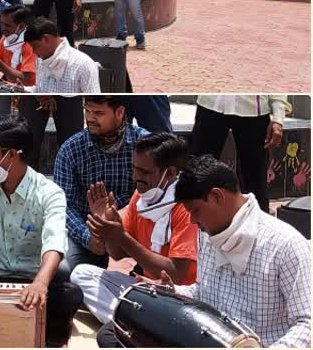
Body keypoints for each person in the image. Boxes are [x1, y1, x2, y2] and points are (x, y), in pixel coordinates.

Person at [94, 155, 311, 348]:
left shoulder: (285, 245)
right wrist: (172, 292)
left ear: (216, 197)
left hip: (259, 344)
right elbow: (204, 292)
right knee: (113, 334)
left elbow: (307, 323)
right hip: (207, 338)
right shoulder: (207, 232)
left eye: (195, 211)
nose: (193, 220)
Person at [0, 116, 83, 347]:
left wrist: (40, 283)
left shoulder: (49, 193)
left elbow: (54, 242)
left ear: (12, 155)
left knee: (69, 296)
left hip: (33, 279)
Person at [71, 133, 198, 329]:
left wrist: (122, 236)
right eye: (134, 168)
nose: (136, 177)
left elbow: (176, 274)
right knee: (81, 274)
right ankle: (134, 325)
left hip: (178, 297)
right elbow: (118, 253)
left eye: (145, 172)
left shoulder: (187, 206)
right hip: (145, 287)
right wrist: (109, 224)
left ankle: (135, 325)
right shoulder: (141, 196)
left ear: (170, 173)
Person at [52, 96, 149, 281]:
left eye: (98, 113)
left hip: (134, 226)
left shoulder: (145, 144)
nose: (90, 118)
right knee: (65, 272)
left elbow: (155, 196)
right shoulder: (70, 149)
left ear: (120, 112)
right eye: (87, 111)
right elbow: (63, 205)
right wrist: (89, 237)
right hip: (87, 228)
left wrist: (117, 217)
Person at [188, 95, 291, 213]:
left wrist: (278, 118)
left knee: (255, 181)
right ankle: (190, 225)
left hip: (253, 111)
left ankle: (257, 225)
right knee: (197, 173)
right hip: (210, 104)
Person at [25, 17, 100, 93]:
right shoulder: (40, 60)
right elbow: (40, 90)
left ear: (46, 38)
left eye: (35, 46)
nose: (34, 52)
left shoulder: (83, 65)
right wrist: (24, 90)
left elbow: (93, 102)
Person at [17, 95, 84, 171]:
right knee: (27, 150)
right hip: (33, 93)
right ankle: (26, 181)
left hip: (69, 94)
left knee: (73, 151)